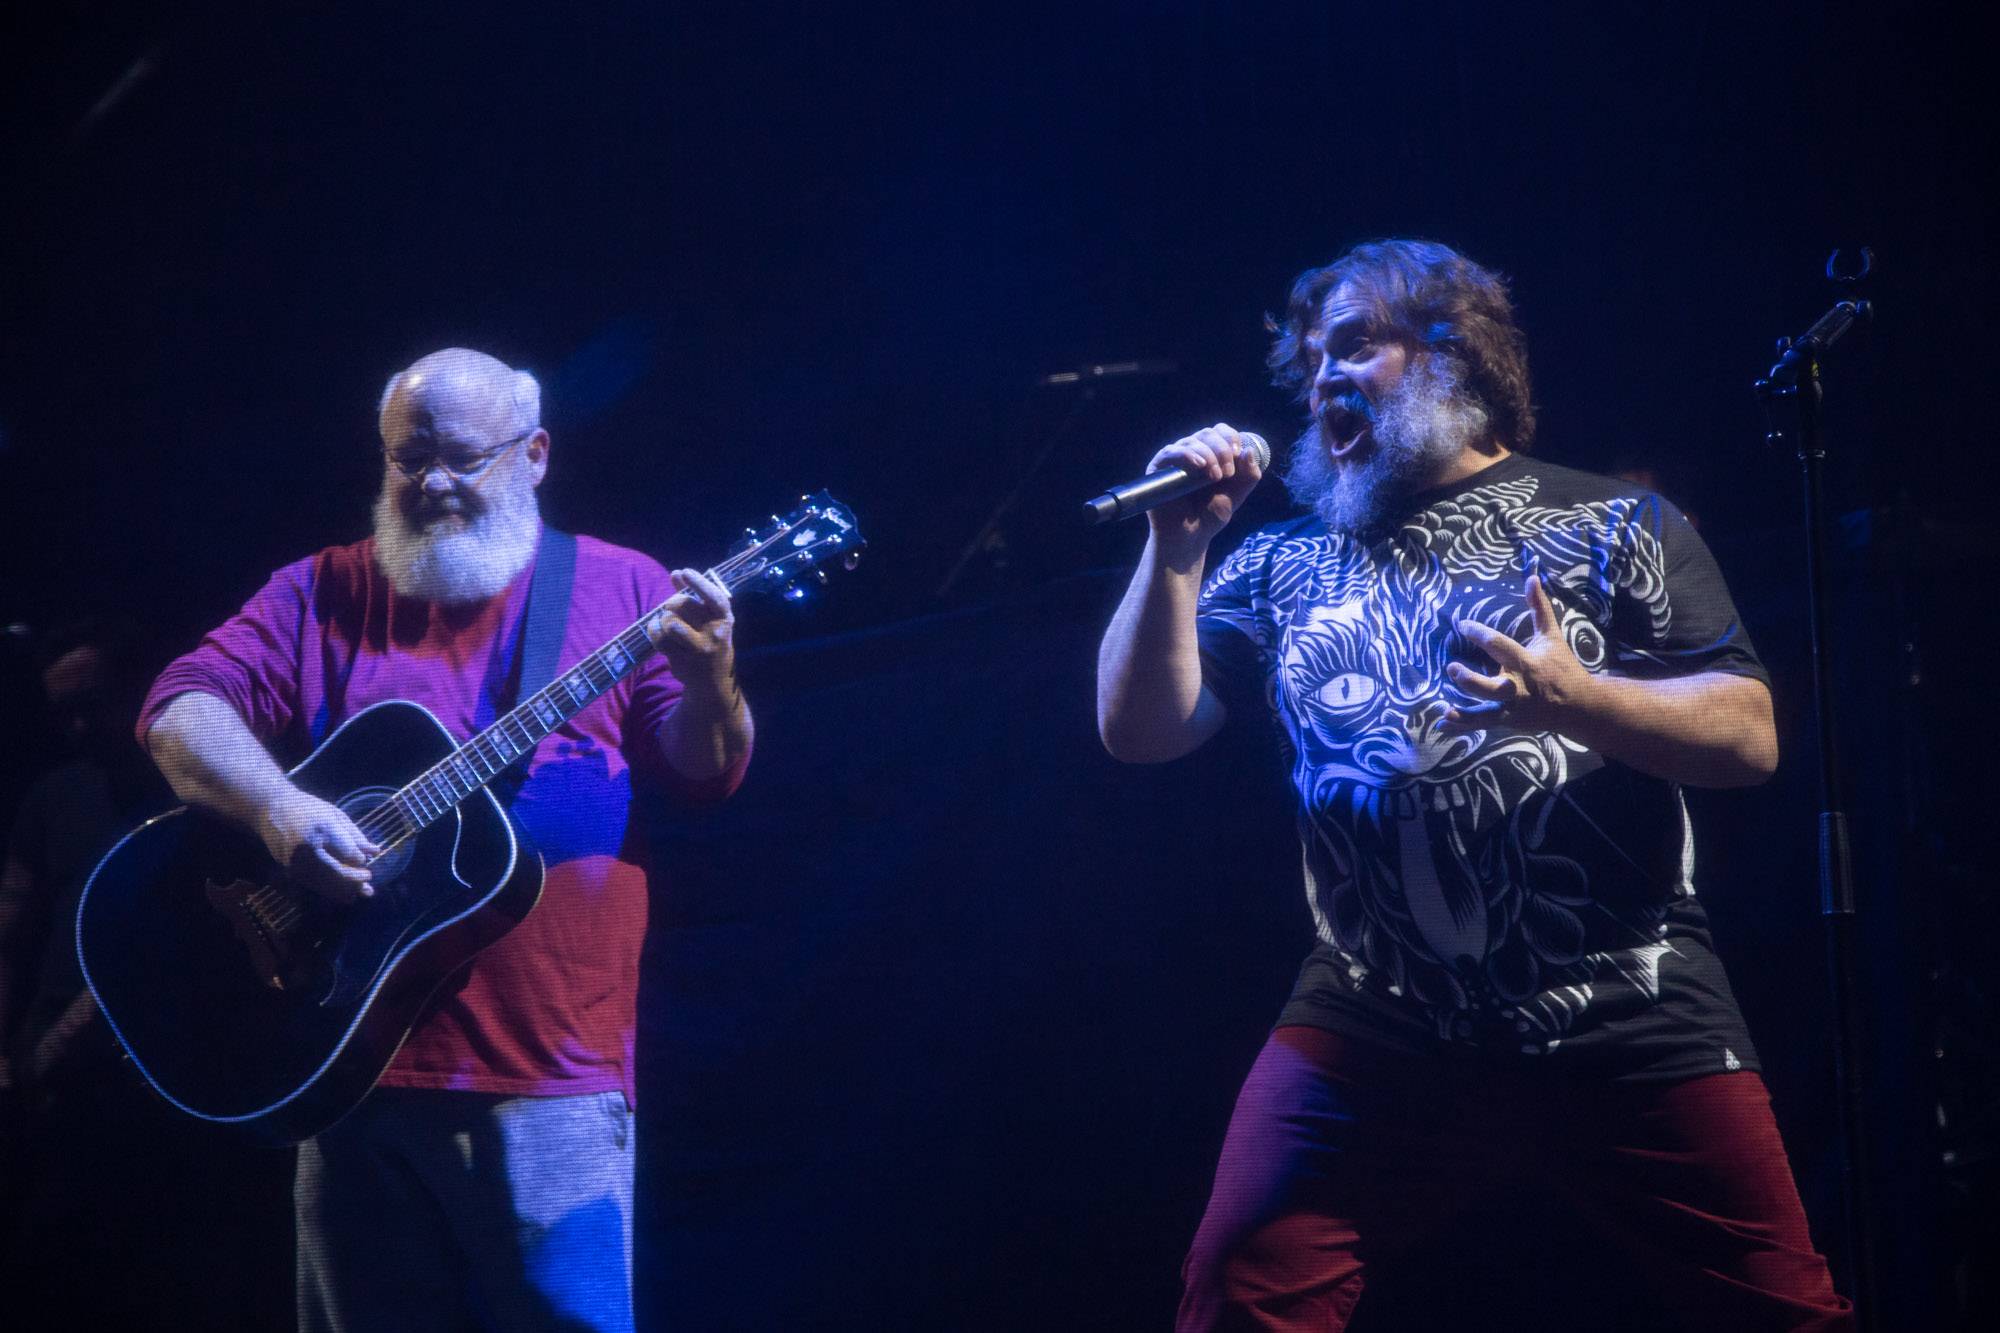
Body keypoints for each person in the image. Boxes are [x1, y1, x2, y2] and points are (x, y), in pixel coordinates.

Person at [1096, 240, 1852, 1330]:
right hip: (1374, 1014)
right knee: (1236, 1294)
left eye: (1353, 345)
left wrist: (1576, 701)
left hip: (1626, 1007)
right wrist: (1175, 546)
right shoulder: (1272, 562)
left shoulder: (1614, 524)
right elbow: (1139, 732)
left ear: (1453, 352)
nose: (1320, 381)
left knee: (1784, 1313)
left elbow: (1749, 737)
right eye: (1309, 362)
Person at [136, 347, 753, 1333]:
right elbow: (178, 711)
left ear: (535, 453)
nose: (429, 483)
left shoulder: (621, 586)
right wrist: (279, 812)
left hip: (550, 1068)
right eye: (404, 459)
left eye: (460, 459)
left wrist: (713, 675)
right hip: (341, 1059)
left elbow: (705, 772)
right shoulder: (323, 590)